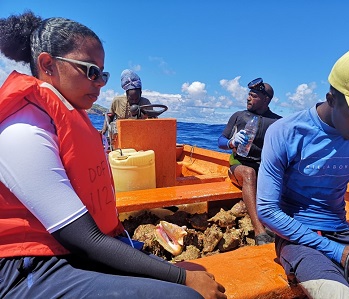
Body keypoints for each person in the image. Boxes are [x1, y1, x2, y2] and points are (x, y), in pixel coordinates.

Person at [0, 11, 226, 299]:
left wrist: (183, 275)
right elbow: (85, 239)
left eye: (103, 74)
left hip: (70, 250)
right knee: (186, 295)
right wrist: (182, 279)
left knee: (195, 275)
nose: (100, 83)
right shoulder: (23, 131)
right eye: (91, 71)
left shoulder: (66, 116)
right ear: (48, 65)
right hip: (27, 267)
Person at [257, 45, 349, 298]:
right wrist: (340, 253)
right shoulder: (286, 132)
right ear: (332, 99)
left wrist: (347, 249)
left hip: (344, 233)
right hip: (297, 238)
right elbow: (267, 210)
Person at [218, 78, 281, 245]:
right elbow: (220, 141)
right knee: (249, 173)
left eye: (253, 95)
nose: (248, 98)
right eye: (249, 95)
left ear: (266, 99)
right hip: (238, 167)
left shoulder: (277, 122)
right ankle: (259, 231)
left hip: (263, 170)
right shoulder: (239, 116)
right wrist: (231, 142)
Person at [101, 69, 152, 135]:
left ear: (141, 94)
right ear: (127, 95)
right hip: (120, 136)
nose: (134, 101)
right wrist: (104, 130)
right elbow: (110, 116)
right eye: (131, 99)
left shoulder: (146, 103)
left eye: (136, 99)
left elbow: (152, 121)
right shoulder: (117, 101)